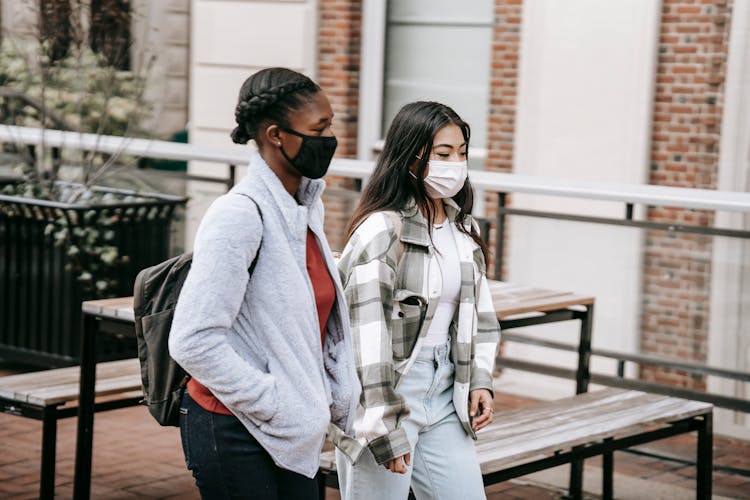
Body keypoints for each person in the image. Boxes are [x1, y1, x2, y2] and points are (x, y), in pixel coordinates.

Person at [169, 67, 360, 499]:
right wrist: (276, 402)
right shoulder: (239, 214)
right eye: (320, 128)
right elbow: (193, 339)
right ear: (276, 135)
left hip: (293, 429)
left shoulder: (305, 209)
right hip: (231, 426)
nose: (330, 139)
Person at [335, 101, 501, 499]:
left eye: (461, 153)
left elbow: (480, 314)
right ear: (410, 157)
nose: (455, 164)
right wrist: (381, 422)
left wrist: (480, 379)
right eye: (443, 154)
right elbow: (363, 338)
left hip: (446, 390)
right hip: (388, 390)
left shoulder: (464, 227)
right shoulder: (382, 230)